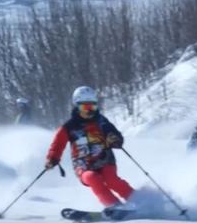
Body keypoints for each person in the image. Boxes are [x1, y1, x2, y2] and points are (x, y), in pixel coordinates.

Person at [46, 86, 136, 215]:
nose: (89, 111)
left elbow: (113, 133)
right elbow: (57, 144)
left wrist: (115, 139)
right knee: (92, 178)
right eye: (85, 107)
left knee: (111, 179)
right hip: (82, 164)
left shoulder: (101, 121)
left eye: (92, 107)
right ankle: (114, 206)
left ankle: (138, 200)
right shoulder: (69, 127)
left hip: (104, 159)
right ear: (77, 106)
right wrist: (52, 159)